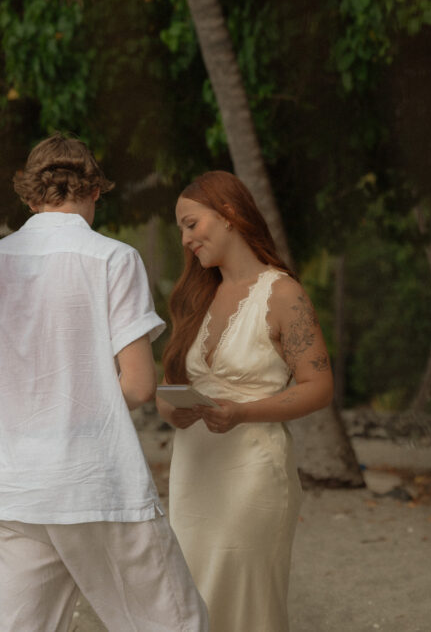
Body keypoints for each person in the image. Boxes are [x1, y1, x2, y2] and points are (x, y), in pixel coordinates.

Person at [0, 133, 208, 632]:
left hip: (3, 481)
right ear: (94, 191)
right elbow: (137, 385)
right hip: (90, 479)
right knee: (171, 623)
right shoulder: (112, 258)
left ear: (29, 197)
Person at [158, 170, 333, 632]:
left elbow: (318, 386)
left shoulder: (284, 294)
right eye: (180, 228)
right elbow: (166, 391)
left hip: (253, 474)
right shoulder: (195, 298)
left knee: (243, 606)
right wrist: (173, 408)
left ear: (230, 214)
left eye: (191, 223)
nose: (186, 238)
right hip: (192, 476)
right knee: (190, 601)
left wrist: (242, 412)